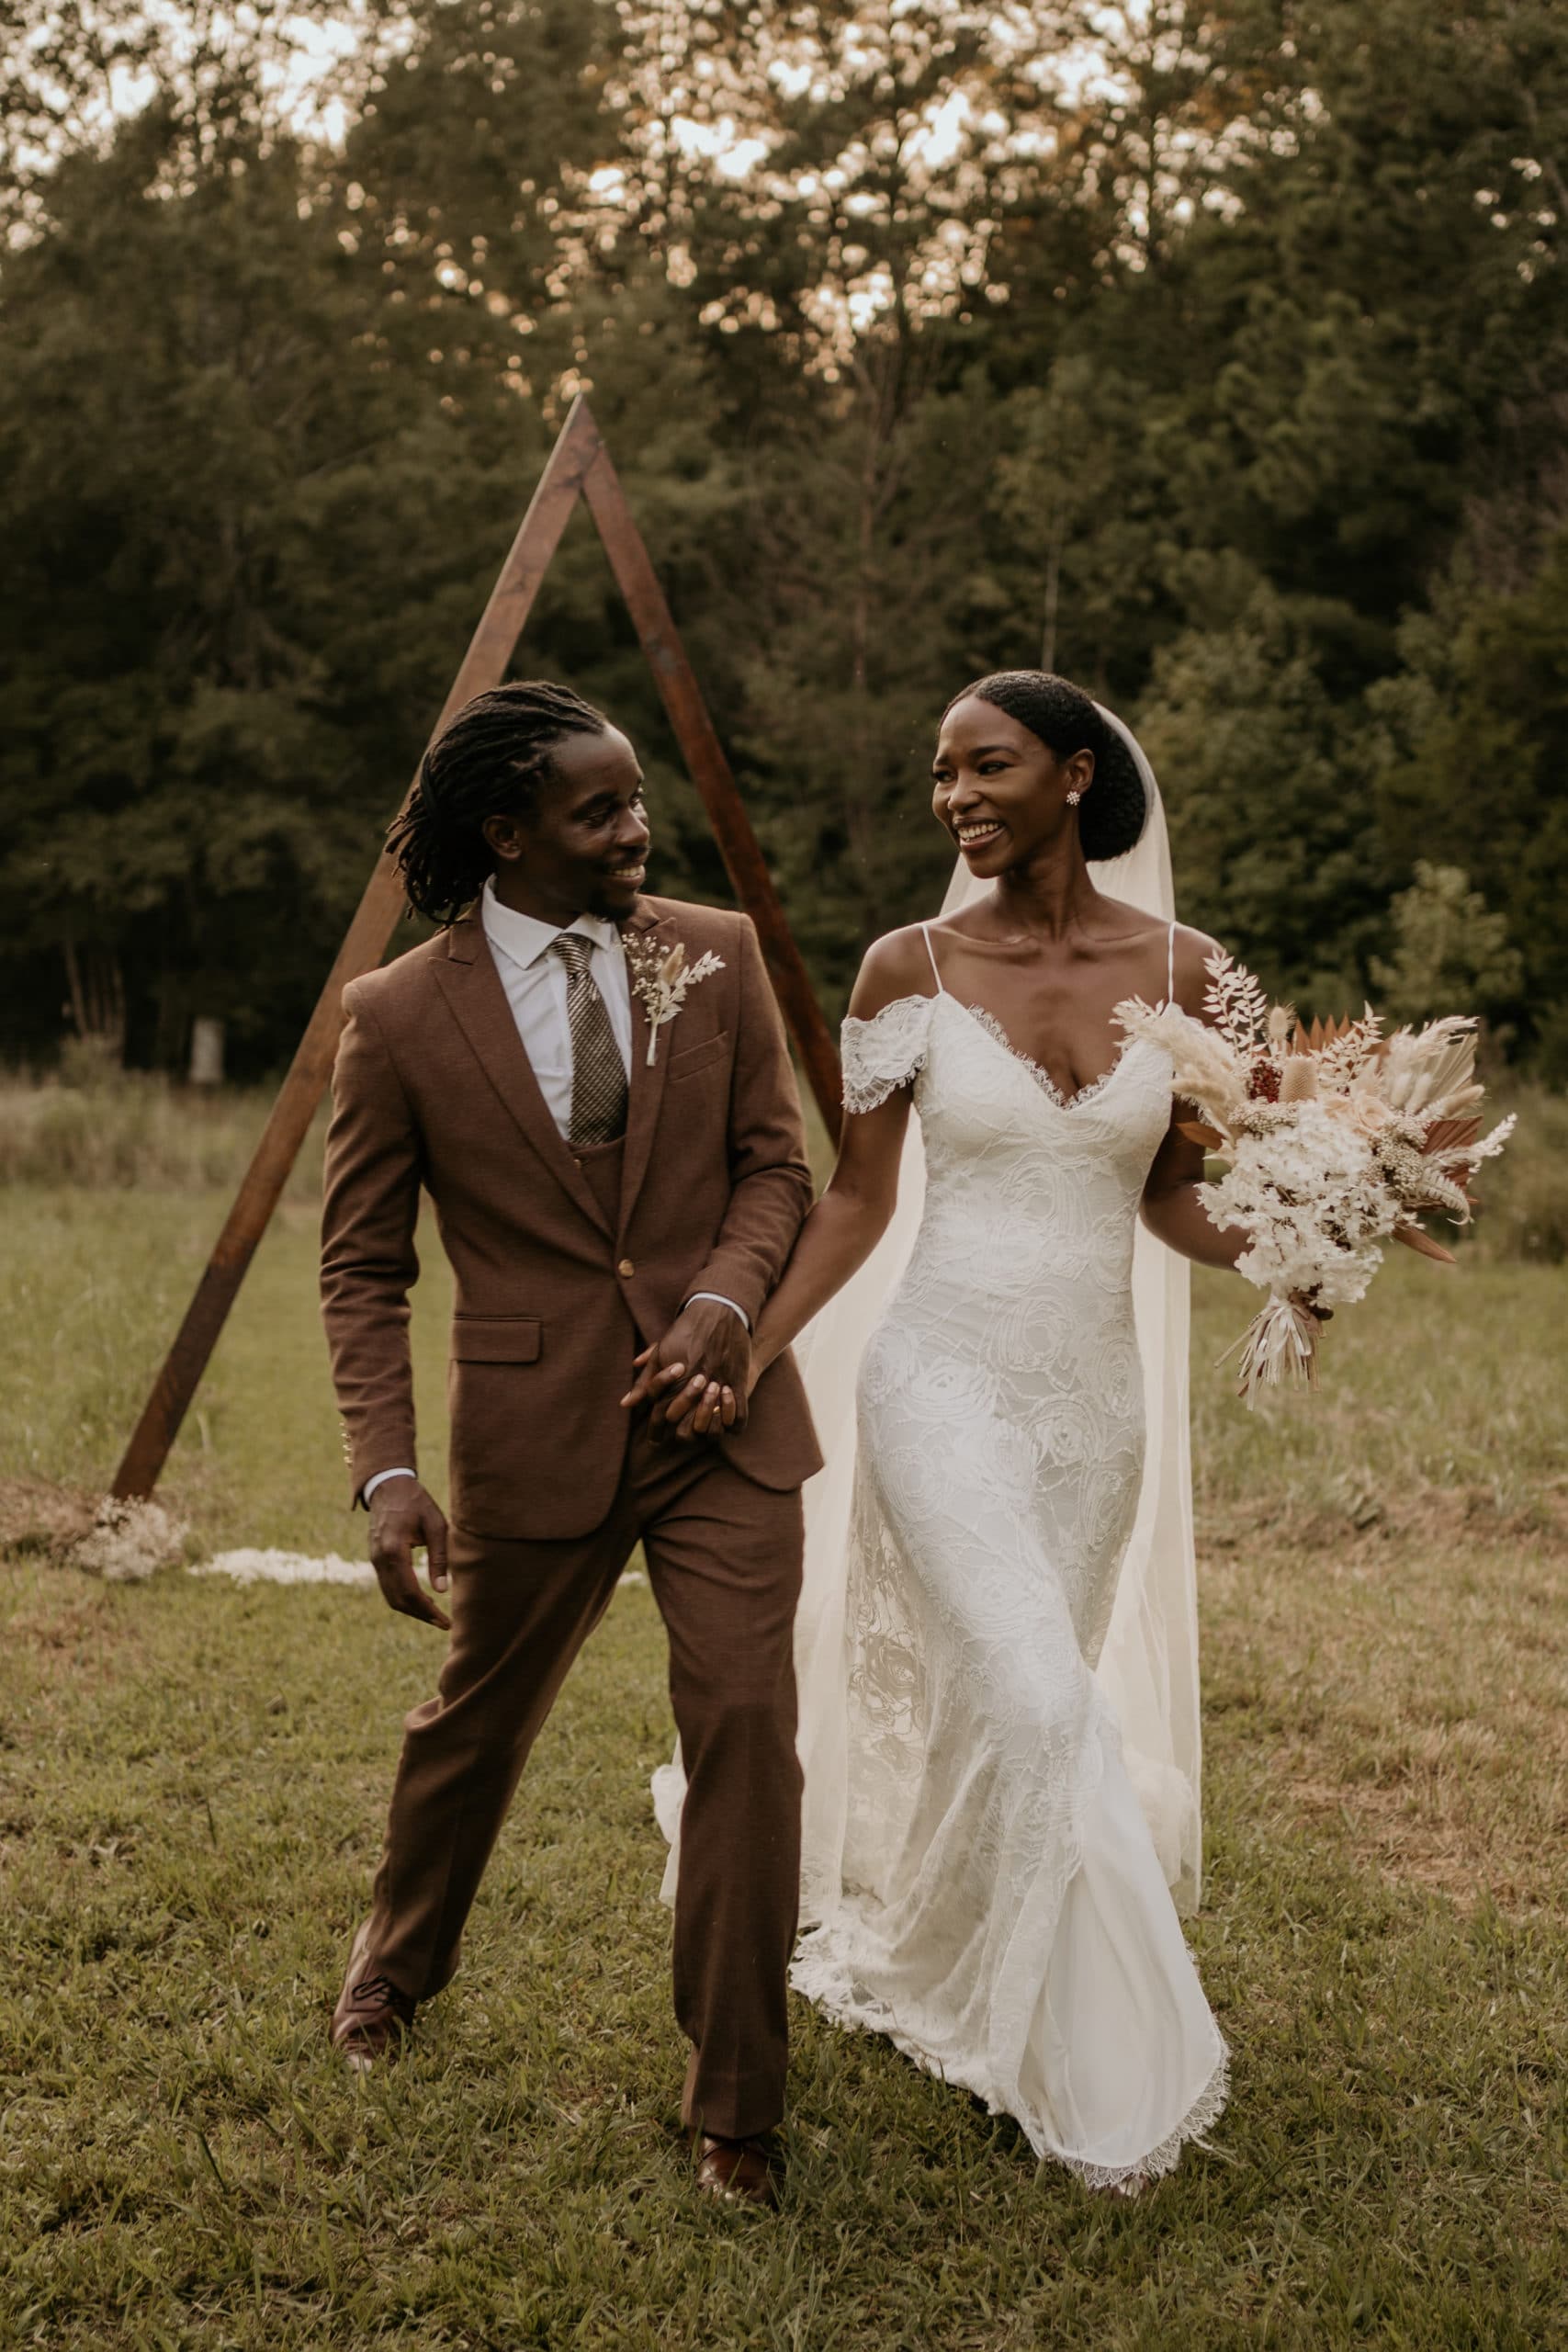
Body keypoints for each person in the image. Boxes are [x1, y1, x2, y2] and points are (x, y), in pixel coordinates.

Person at [737, 671, 1246, 2190]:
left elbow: (1172, 1198)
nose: (954, 796)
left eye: (986, 766)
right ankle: (1101, 2067)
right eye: (941, 774)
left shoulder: (1195, 974)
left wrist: (1307, 1233)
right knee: (1036, 1698)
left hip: (1092, 1410)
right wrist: (754, 1345)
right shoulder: (907, 968)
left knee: (1011, 1705)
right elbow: (857, 1197)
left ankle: (965, 1961)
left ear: (1076, 777)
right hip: (940, 1380)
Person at [319, 680, 820, 2210]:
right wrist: (389, 1469)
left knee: (744, 1731)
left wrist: (730, 1305)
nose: (636, 828)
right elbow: (362, 1264)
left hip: (722, 1427)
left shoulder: (715, 958)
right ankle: (396, 1969)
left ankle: (736, 2100)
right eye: (600, 809)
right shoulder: (398, 1016)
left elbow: (777, 1168)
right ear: (506, 832)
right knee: (473, 1725)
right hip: (531, 1428)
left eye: (637, 801)